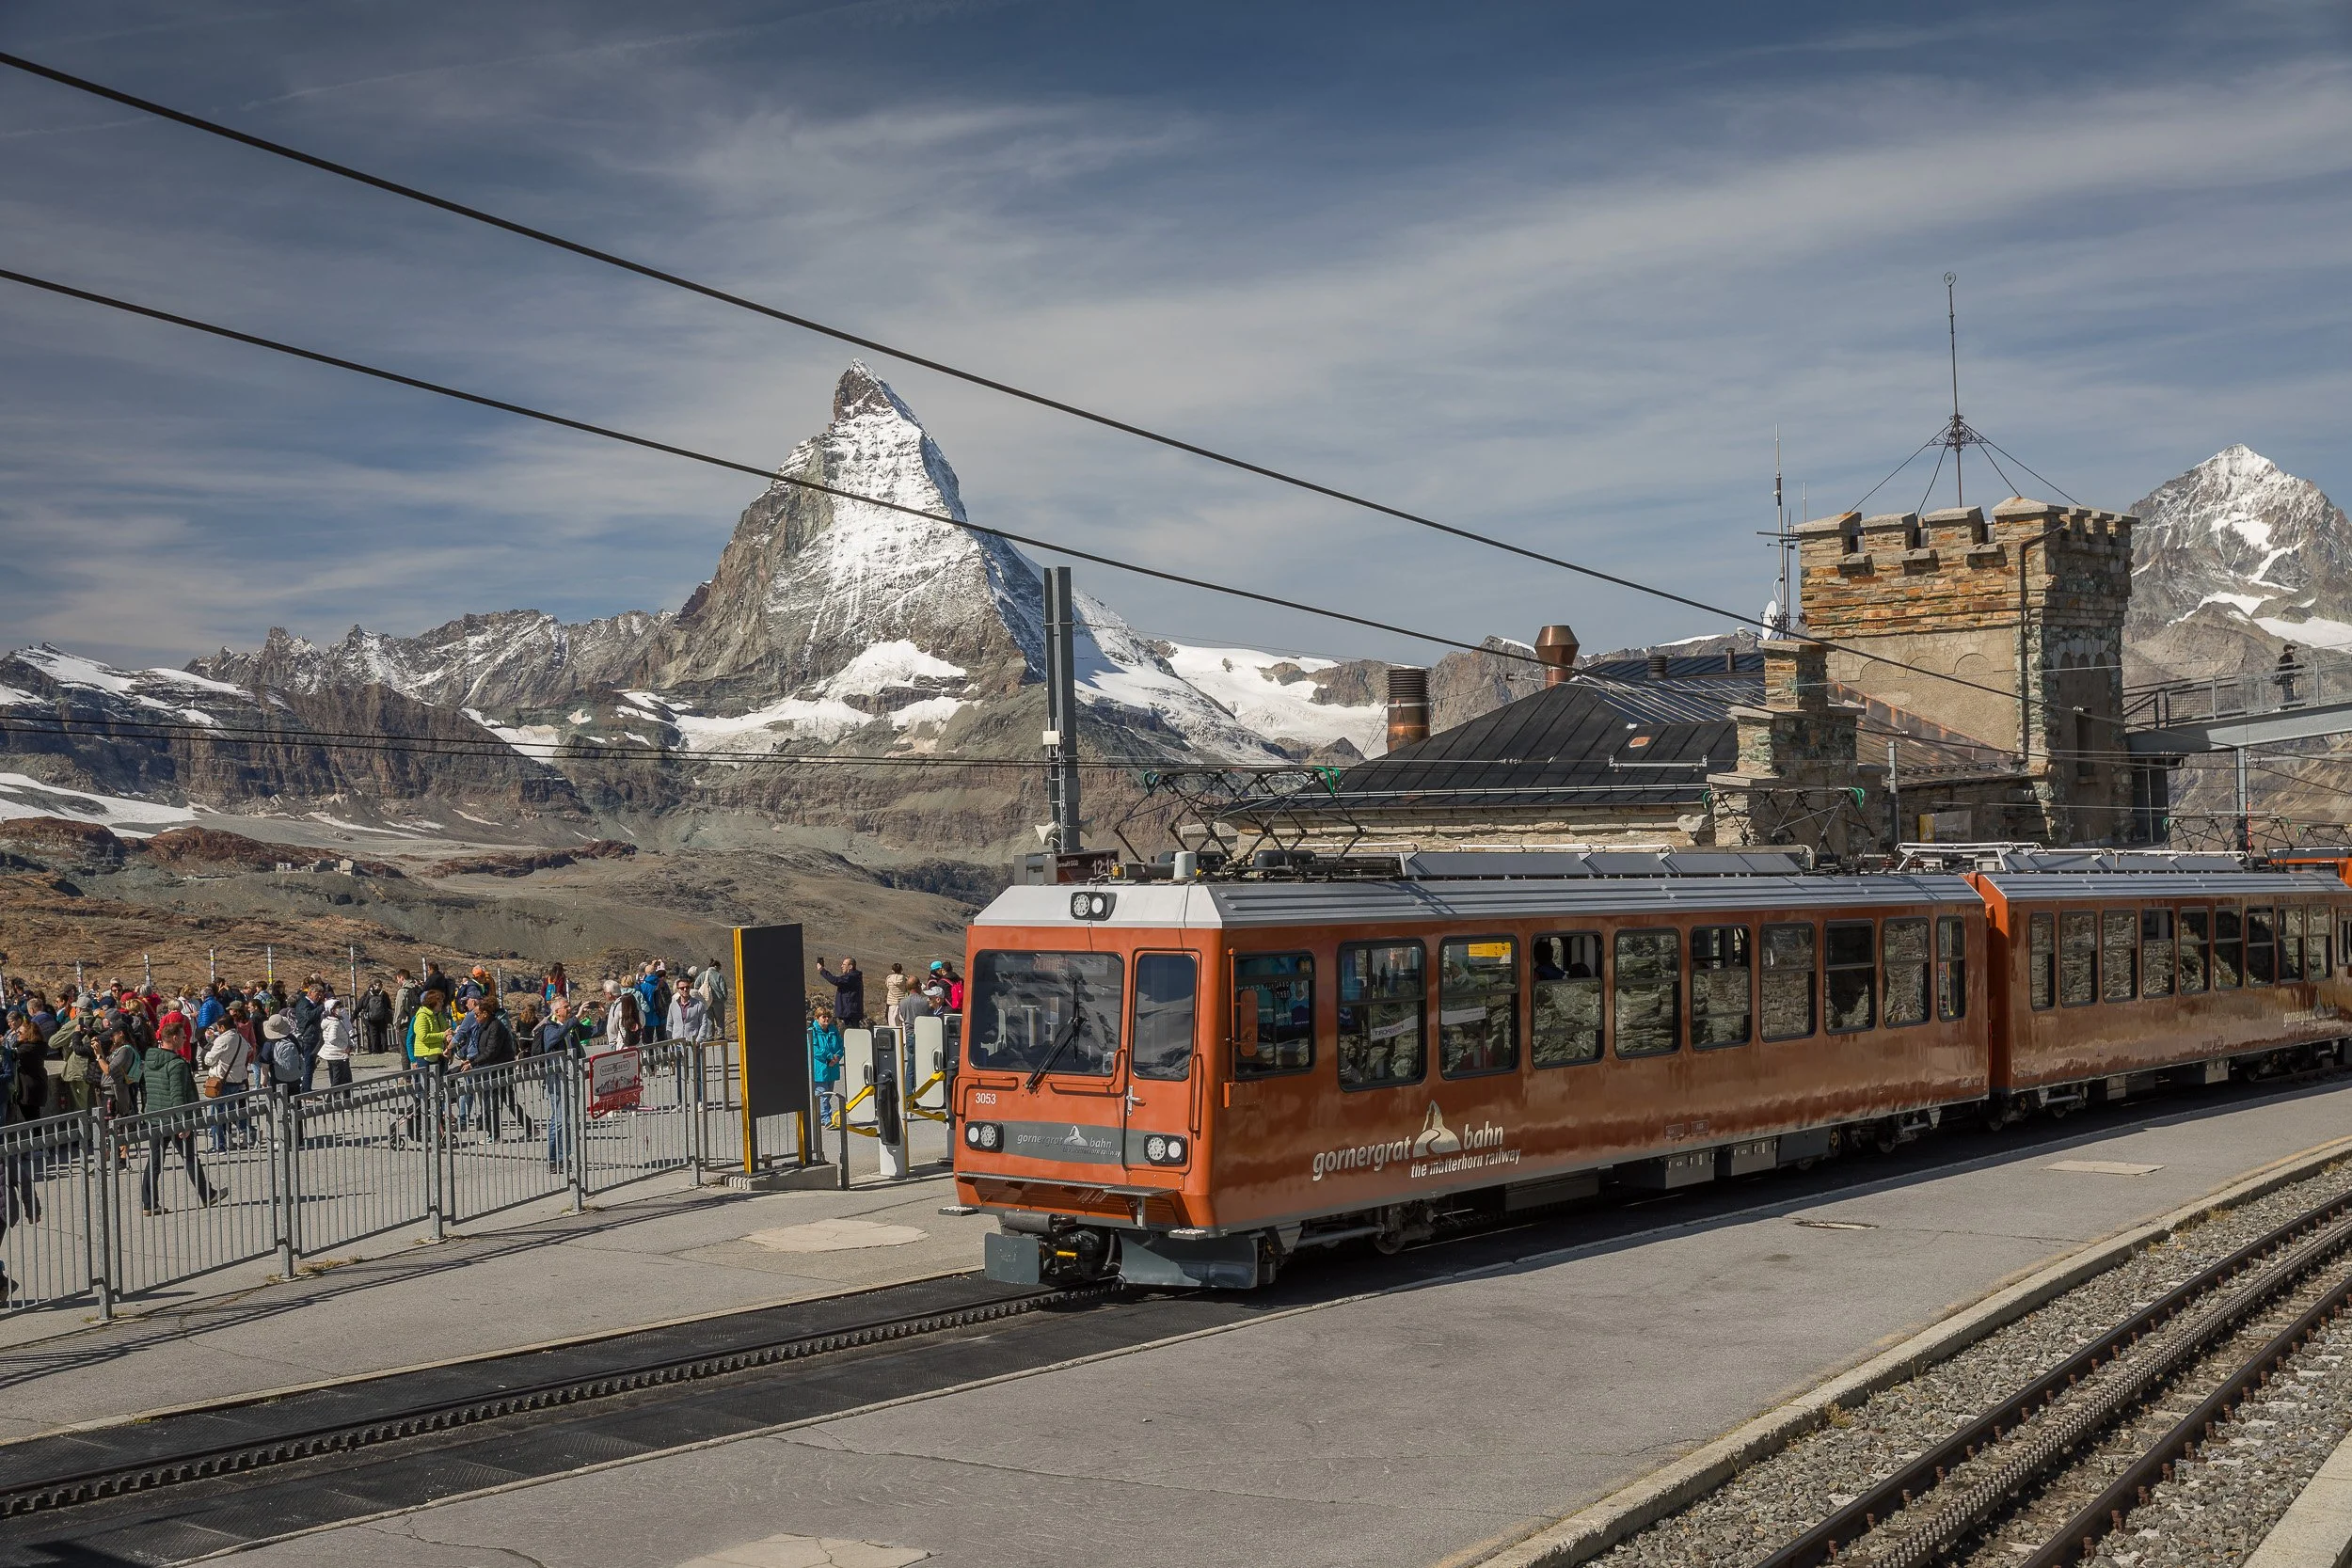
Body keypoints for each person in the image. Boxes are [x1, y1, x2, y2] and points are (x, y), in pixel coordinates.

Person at [130, 1031, 221, 1214]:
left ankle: (149, 1203)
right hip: (174, 1120)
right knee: (189, 1158)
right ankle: (207, 1194)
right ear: (173, 1038)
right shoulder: (177, 1065)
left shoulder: (150, 1060)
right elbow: (177, 1096)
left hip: (155, 1117)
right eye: (182, 1037)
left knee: (154, 1161)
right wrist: (183, 1123)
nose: (185, 1040)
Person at [201, 1019, 253, 1152]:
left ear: (222, 1027)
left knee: (217, 1114)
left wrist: (208, 1050)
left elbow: (209, 1059)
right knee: (232, 1112)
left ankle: (219, 1145)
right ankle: (244, 1133)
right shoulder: (240, 1038)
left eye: (218, 1027)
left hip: (222, 1080)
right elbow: (249, 1049)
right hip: (236, 1079)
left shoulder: (222, 1040)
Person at [808, 1004, 844, 1129]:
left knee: (828, 1094)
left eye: (828, 1017)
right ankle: (826, 1118)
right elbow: (814, 1049)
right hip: (820, 1068)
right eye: (823, 1017)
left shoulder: (834, 1031)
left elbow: (840, 1046)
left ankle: (822, 1116)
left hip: (832, 1068)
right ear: (817, 1018)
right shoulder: (812, 1032)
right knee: (822, 1094)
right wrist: (829, 1056)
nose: (826, 1019)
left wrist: (837, 1057)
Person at [816, 956, 865, 1026]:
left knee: (851, 1032)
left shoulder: (852, 978)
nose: (841, 966)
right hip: (849, 1013)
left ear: (850, 967)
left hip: (850, 1014)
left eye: (844, 964)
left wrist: (822, 970)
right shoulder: (853, 977)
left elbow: (835, 980)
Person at [318, 998, 354, 1088]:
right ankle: (331, 1100)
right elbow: (332, 1038)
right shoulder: (334, 1023)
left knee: (338, 1079)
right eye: (338, 1007)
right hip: (337, 1054)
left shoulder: (330, 1021)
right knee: (340, 1081)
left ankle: (343, 1099)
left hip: (333, 1053)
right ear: (332, 1010)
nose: (340, 1009)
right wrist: (346, 1046)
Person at [358, 981, 393, 1055]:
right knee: (383, 1033)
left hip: (371, 1017)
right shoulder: (384, 994)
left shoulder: (369, 994)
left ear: (374, 985)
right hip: (382, 1017)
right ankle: (384, 1049)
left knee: (373, 1033)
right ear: (381, 985)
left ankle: (374, 1050)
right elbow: (389, 1005)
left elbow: (365, 1004)